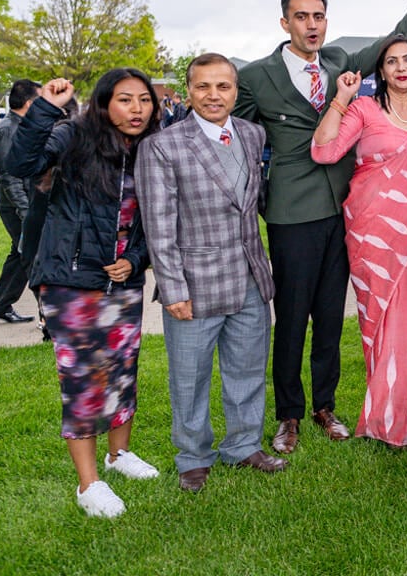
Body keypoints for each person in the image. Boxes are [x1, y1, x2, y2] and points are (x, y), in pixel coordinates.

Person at [233, 0, 407, 455]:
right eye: (302, 16)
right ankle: (288, 415)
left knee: (330, 315)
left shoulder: (340, 64)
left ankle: (325, 407)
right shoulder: (257, 76)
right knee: (293, 315)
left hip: (346, 212)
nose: (312, 25)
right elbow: (237, 134)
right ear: (284, 22)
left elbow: (397, 39)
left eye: (319, 16)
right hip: (291, 212)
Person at [9, 71, 162, 517]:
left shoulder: (151, 149)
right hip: (70, 279)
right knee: (83, 381)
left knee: (121, 369)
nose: (136, 109)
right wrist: (46, 107)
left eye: (144, 100)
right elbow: (23, 164)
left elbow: (154, 218)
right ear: (103, 104)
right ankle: (88, 484)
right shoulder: (74, 136)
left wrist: (136, 258)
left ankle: (119, 455)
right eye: (124, 100)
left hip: (124, 280)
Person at [137, 53, 286, 492]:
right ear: (188, 93)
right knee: (190, 376)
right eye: (204, 87)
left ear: (236, 92)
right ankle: (193, 456)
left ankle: (243, 445)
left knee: (247, 369)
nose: (214, 95)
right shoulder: (162, 146)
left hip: (249, 278)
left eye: (223, 86)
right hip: (194, 284)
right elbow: (159, 226)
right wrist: (172, 288)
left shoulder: (252, 134)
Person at [309, 35, 407, 446]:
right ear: (381, 71)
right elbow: (324, 151)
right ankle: (387, 416)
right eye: (391, 61)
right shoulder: (366, 109)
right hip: (372, 228)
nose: (401, 67)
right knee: (381, 317)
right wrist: (341, 97)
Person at [0, 79, 40, 324]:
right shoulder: (6, 131)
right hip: (15, 206)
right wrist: (26, 212)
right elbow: (9, 177)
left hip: (27, 202)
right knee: (32, 255)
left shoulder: (25, 126)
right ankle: (50, 313)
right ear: (29, 103)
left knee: (19, 255)